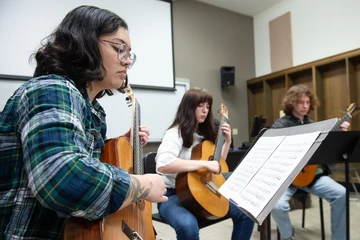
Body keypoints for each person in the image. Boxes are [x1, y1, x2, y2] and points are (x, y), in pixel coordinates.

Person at [0, 5, 167, 239]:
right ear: (84, 43)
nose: (127, 61)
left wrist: (117, 144)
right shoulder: (52, 88)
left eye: (130, 54)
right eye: (120, 49)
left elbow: (79, 155)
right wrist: (144, 185)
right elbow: (62, 178)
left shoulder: (94, 111)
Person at [155, 88, 254, 240]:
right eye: (200, 105)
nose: (205, 110)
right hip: (171, 194)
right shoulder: (175, 133)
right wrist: (204, 164)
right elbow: (163, 164)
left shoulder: (204, 135)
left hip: (201, 188)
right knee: (188, 226)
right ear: (189, 107)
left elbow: (217, 165)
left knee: (246, 211)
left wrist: (227, 141)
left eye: (207, 107)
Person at [271, 84, 349, 240]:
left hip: (311, 176)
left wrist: (339, 136)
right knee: (277, 205)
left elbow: (325, 155)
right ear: (292, 102)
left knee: (341, 193)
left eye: (307, 102)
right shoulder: (280, 125)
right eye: (301, 102)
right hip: (287, 179)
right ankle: (287, 236)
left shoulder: (314, 125)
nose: (305, 106)